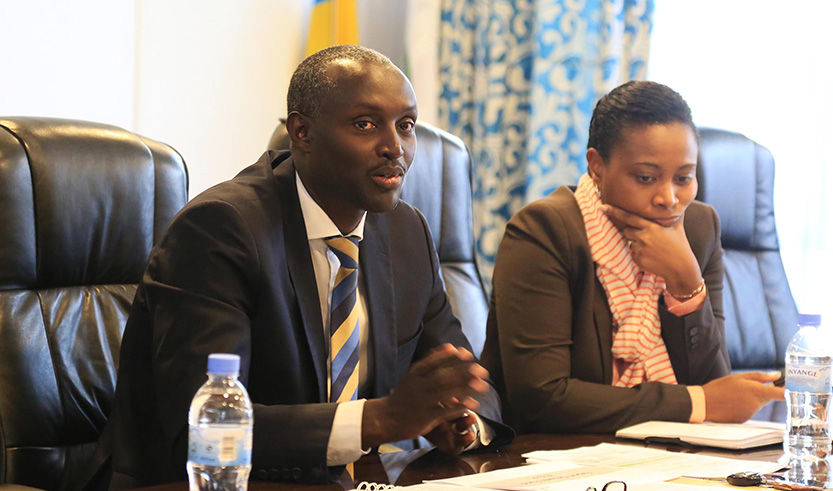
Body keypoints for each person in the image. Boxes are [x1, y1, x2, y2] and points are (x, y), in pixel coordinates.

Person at [87, 45, 511, 490]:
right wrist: (380, 420)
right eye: (365, 124)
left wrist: (460, 419)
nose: (394, 147)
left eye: (405, 125)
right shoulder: (221, 229)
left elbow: (466, 378)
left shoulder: (406, 232)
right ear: (302, 132)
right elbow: (206, 430)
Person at [480, 80, 784, 433]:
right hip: (557, 452)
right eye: (646, 177)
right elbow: (542, 398)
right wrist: (695, 402)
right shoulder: (544, 230)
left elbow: (713, 384)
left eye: (684, 177)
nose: (669, 198)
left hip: (670, 451)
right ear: (596, 166)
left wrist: (686, 283)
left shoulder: (699, 228)